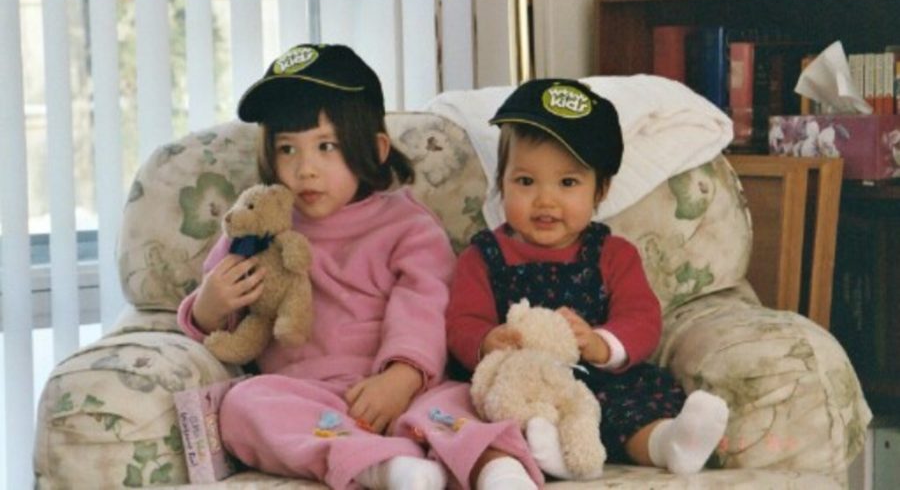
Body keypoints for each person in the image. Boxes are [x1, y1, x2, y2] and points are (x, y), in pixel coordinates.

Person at [178, 44, 542, 490]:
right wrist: (208, 308)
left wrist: (402, 376)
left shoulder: (406, 223)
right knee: (241, 407)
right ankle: (382, 467)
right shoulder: (258, 225)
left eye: (326, 146)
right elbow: (227, 317)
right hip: (309, 396)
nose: (304, 169)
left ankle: (497, 469)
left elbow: (425, 304)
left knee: (456, 405)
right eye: (286, 149)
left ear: (375, 148)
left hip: (407, 386)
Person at [446, 78, 729, 480]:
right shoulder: (482, 257)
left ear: (601, 190)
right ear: (501, 183)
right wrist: (486, 342)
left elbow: (642, 318)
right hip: (521, 380)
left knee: (627, 408)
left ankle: (668, 442)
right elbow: (461, 321)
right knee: (487, 413)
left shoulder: (613, 255)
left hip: (598, 380)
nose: (546, 200)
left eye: (568, 183)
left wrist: (601, 344)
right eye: (525, 182)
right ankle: (544, 454)